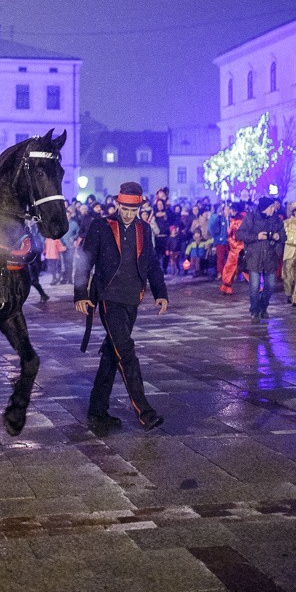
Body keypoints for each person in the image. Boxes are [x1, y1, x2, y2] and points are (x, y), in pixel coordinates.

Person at [74, 181, 168, 432]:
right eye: (124, 208)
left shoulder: (144, 229)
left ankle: (97, 409)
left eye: (132, 210)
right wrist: (80, 294)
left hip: (132, 299)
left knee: (112, 354)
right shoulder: (101, 226)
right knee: (126, 353)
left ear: (139, 208)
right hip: (108, 298)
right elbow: (84, 262)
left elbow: (152, 264)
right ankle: (145, 412)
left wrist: (161, 293)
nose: (127, 214)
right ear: (117, 204)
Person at [237, 196, 286, 322]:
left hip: (271, 257)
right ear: (265, 208)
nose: (274, 209)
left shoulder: (276, 220)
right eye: (271, 207)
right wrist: (257, 236)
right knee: (254, 286)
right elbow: (240, 234)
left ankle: (263, 307)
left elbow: (284, 236)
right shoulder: (251, 217)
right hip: (254, 257)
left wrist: (277, 237)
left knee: (270, 286)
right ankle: (254, 311)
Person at [220, 202, 246, 295]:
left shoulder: (242, 219)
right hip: (233, 248)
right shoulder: (233, 219)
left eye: (233, 210)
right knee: (230, 267)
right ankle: (226, 286)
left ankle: (257, 286)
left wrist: (231, 230)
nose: (231, 211)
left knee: (246, 267)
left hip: (241, 248)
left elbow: (239, 233)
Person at [282, 201, 296, 307]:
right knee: (288, 276)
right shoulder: (287, 223)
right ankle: (289, 293)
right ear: (294, 212)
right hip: (289, 252)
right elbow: (284, 236)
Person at [208, 202, 230, 281]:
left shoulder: (231, 219)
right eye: (226, 210)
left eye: (229, 210)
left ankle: (229, 274)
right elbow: (213, 228)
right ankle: (220, 272)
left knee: (229, 259)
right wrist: (216, 237)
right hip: (220, 242)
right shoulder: (219, 218)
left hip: (229, 242)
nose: (227, 211)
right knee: (220, 258)